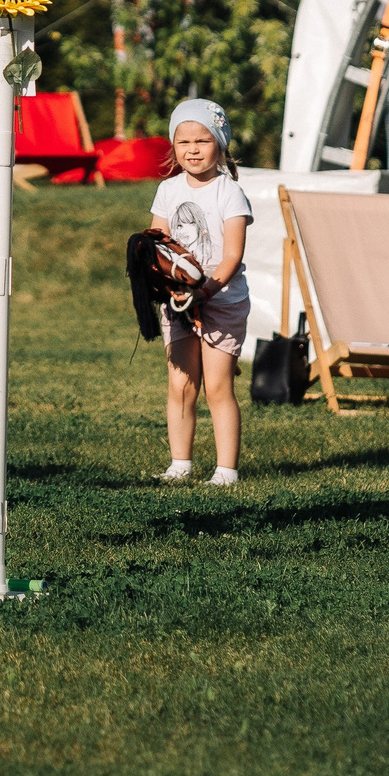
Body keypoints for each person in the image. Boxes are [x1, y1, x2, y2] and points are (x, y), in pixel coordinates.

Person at [151, 99, 248, 486]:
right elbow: (159, 245)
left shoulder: (229, 192)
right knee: (180, 385)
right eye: (184, 141)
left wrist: (204, 292)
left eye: (202, 140)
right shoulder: (167, 189)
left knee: (218, 387)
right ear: (173, 146)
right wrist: (168, 286)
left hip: (221, 302)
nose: (192, 150)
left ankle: (226, 471)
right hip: (178, 303)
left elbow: (233, 255)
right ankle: (180, 465)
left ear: (220, 144)